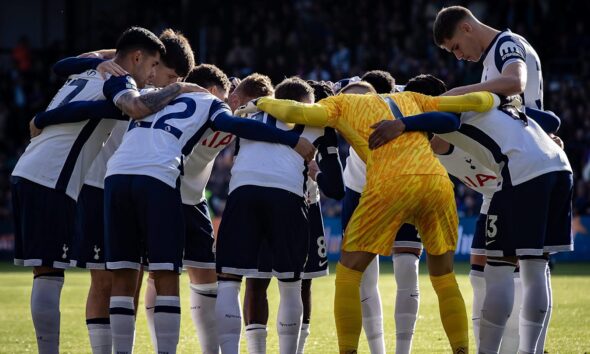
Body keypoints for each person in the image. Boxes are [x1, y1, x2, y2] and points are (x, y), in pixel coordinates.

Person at [238, 88, 503, 353]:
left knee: (348, 275)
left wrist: (260, 102)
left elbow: (297, 112)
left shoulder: (341, 103)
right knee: (444, 277)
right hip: (436, 182)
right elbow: (469, 104)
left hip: (390, 182)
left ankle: (349, 351)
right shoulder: (411, 97)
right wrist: (497, 97)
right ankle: (460, 350)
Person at [10, 26, 203, 354]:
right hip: (94, 183)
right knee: (100, 280)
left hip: (128, 183)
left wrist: (46, 116)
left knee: (131, 276)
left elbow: (77, 86)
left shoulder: (128, 79)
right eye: (162, 71)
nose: (163, 79)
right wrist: (104, 59)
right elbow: (121, 102)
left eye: (172, 77)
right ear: (144, 59)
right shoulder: (122, 78)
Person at [369, 84, 571, 354]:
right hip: (541, 174)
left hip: (516, 180)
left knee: (505, 273)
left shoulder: (450, 113)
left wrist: (402, 124)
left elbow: (443, 118)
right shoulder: (434, 150)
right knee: (497, 275)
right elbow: (551, 120)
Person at [434, 6, 551, 352]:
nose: (459, 56)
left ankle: (529, 347)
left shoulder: (505, 44)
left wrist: (459, 94)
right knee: (483, 264)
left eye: (455, 47)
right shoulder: (489, 61)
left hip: (524, 167)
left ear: (467, 28)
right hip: (505, 172)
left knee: (527, 267)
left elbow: (516, 83)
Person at [241, 79, 344, 354]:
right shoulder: (314, 122)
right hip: (297, 202)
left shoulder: (257, 117)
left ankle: (288, 349)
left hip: (299, 201)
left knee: (286, 281)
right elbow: (336, 186)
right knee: (282, 281)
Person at [337, 79, 422, 354]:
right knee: (363, 276)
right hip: (359, 192)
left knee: (407, 268)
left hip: (401, 188)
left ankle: (402, 352)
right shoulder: (342, 100)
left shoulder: (405, 105)